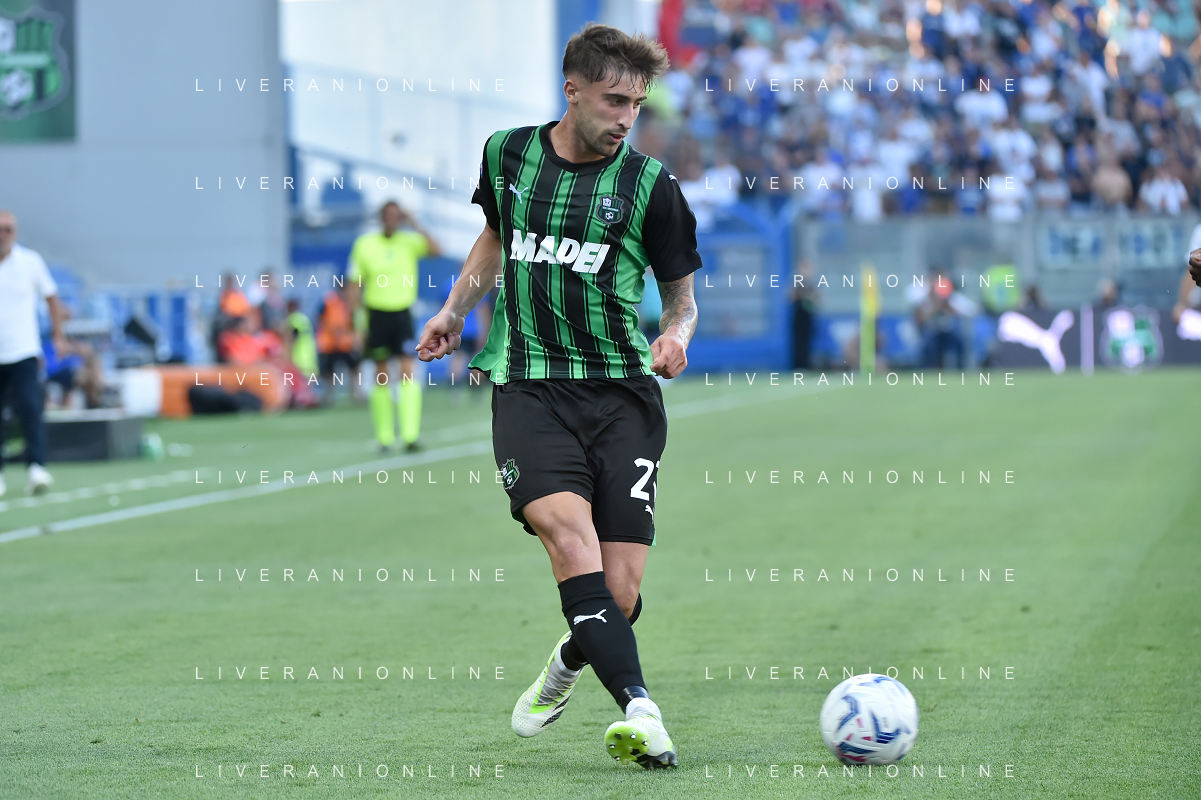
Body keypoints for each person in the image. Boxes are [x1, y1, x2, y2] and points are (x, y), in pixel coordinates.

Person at [416, 24, 701, 770]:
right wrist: (453, 310)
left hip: (624, 396)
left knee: (619, 593)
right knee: (570, 543)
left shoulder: (651, 187)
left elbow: (681, 299)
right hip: (528, 388)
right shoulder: (506, 154)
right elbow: (495, 236)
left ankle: (571, 658)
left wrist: (676, 336)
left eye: (636, 105)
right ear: (571, 91)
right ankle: (642, 712)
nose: (626, 118)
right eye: (613, 101)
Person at [347, 201, 440, 452]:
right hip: (376, 314)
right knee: (381, 374)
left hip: (402, 313)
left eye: (396, 215)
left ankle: (410, 435)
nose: (392, 219)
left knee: (408, 370)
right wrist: (357, 323)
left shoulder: (409, 241)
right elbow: (354, 284)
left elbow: (436, 249)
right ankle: (384, 437)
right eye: (388, 215)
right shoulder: (364, 244)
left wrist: (415, 222)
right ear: (381, 217)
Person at [0, 210, 61, 497]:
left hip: (24, 350)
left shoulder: (30, 262)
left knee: (30, 408)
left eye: (8, 229)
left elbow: (51, 297)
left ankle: (37, 467)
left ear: (16, 232)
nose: (3, 234)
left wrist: (58, 335)